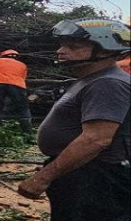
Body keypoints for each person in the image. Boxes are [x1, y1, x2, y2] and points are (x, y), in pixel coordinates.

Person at [17, 18, 130, 221]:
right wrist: (57, 164)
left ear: (105, 50)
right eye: (61, 44)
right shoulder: (91, 79)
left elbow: (96, 140)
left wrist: (44, 177)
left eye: (72, 46)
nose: (61, 50)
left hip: (97, 179)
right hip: (83, 173)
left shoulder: (108, 83)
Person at [0, 49, 32, 132]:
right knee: (23, 107)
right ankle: (27, 129)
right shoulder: (22, 65)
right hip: (18, 85)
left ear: (3, 55)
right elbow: (23, 78)